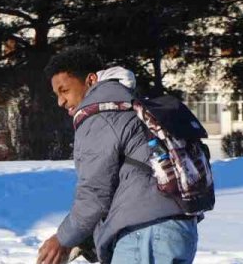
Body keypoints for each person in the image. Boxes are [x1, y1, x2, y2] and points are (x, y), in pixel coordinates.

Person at [37, 47, 198, 264]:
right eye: (56, 94)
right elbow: (128, 183)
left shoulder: (99, 116)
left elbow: (94, 194)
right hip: (178, 230)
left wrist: (62, 239)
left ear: (91, 80)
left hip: (145, 235)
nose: (60, 102)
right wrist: (86, 241)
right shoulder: (130, 105)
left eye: (64, 90)